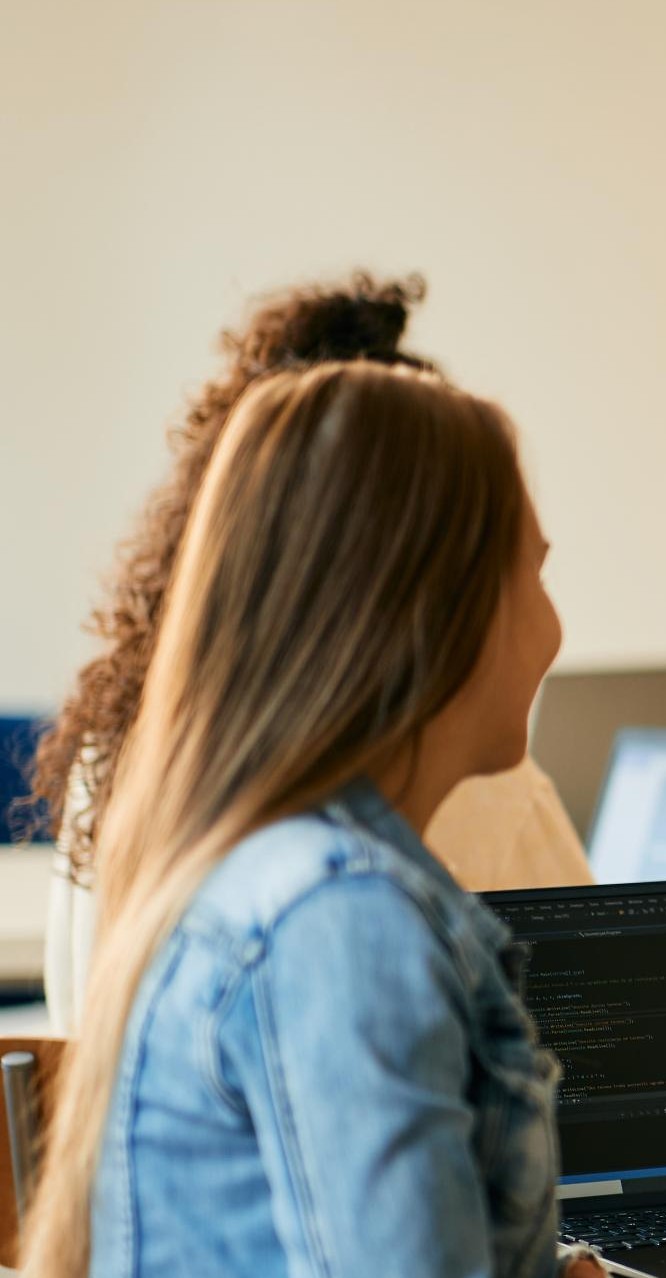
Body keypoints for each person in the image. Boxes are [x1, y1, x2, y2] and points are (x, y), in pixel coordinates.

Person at [13, 362, 653, 1278]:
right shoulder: (341, 923)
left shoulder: (265, 876)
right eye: (537, 572)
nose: (557, 628)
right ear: (436, 605)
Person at [24, 272, 593, 1037]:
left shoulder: (136, 759)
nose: (550, 627)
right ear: (405, 579)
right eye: (513, 571)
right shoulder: (370, 892)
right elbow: (602, 1067)